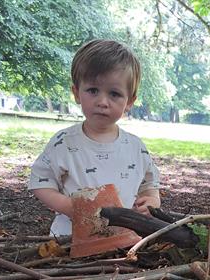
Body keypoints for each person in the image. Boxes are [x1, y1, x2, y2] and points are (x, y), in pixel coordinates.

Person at [28, 39, 161, 236]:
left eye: (114, 94)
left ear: (130, 101)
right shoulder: (63, 142)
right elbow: (40, 182)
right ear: (76, 93)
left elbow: (150, 185)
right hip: (68, 240)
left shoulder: (135, 147)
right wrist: (69, 206)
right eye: (93, 90)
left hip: (122, 241)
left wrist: (152, 201)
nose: (102, 102)